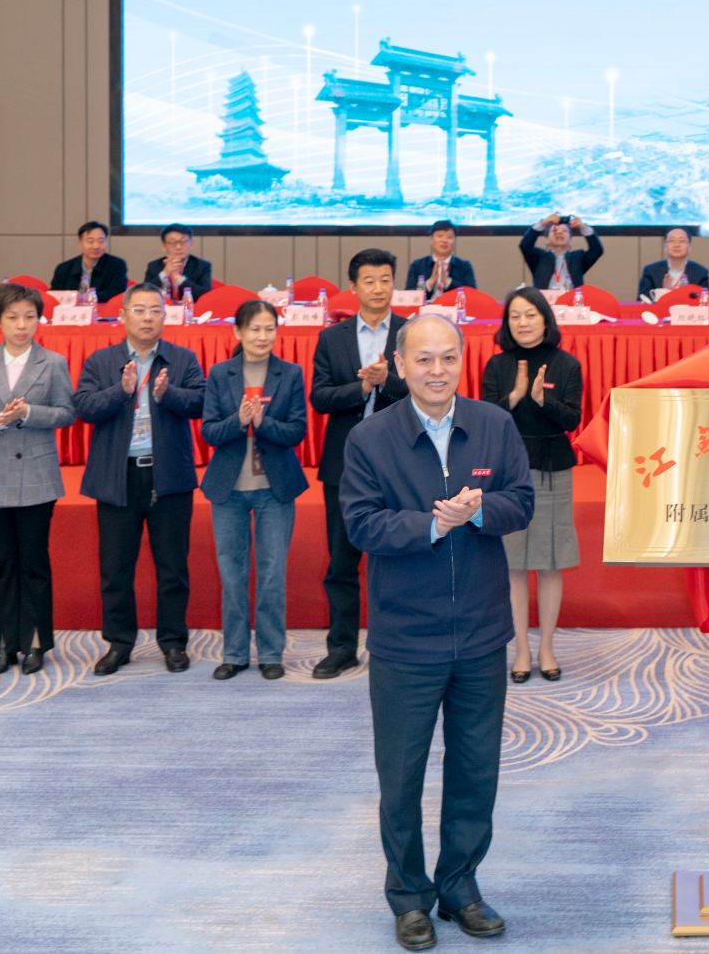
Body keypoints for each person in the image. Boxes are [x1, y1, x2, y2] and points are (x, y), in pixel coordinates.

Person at [341, 315, 535, 951]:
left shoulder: (494, 425)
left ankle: (459, 886)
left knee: (476, 770)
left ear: (462, 361)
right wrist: (431, 524)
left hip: (480, 633)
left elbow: (521, 501)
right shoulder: (370, 438)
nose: (436, 371)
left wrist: (478, 512)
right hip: (406, 638)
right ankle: (408, 896)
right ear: (400, 365)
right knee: (400, 777)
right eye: (423, 359)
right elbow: (361, 524)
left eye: (448, 358)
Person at [73, 282, 207, 675]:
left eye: (155, 311)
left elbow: (201, 402)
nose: (148, 318)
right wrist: (121, 391)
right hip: (118, 477)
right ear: (123, 316)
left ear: (165, 316)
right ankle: (119, 643)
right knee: (116, 568)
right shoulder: (101, 361)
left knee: (172, 567)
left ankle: (173, 642)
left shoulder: (182, 359)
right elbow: (84, 407)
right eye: (140, 310)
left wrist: (168, 395)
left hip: (168, 476)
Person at [0, 282, 75, 674]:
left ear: (39, 320)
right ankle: (5, 644)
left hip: (36, 473)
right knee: (3, 563)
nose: (21, 325)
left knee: (34, 562)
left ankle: (36, 642)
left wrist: (29, 413)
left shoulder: (52, 362)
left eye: (29, 317)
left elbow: (66, 412)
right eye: (12, 317)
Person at [309, 247, 407, 678]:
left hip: (400, 461)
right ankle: (342, 647)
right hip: (345, 462)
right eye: (369, 280)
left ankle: (397, 644)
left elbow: (428, 390)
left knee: (399, 558)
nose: (379, 288)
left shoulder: (409, 333)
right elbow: (319, 397)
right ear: (353, 287)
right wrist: (362, 388)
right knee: (342, 560)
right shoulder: (332, 338)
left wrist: (390, 382)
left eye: (386, 279)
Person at [199, 298, 309, 681]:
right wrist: (238, 420)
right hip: (228, 488)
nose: (262, 336)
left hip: (274, 488)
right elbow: (209, 431)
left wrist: (262, 423)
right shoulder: (220, 374)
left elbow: (297, 431)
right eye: (255, 329)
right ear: (238, 332)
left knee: (272, 573)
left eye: (269, 329)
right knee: (231, 574)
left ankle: (271, 652)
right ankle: (234, 653)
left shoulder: (290, 374)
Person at [479, 288, 584, 682]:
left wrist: (542, 400)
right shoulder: (497, 365)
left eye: (530, 315)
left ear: (545, 319)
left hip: (553, 468)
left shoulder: (567, 364)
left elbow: (572, 419)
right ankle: (522, 649)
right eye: (515, 316)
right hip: (508, 472)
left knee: (550, 562)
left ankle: (547, 647)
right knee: (514, 564)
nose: (522, 323)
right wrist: (516, 397)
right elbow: (487, 420)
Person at [519, 212, 603, 291]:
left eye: (564, 231)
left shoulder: (577, 257)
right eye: (554, 230)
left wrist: (583, 227)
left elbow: (596, 250)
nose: (559, 232)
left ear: (570, 239)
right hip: (543, 300)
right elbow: (525, 245)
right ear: (547, 239)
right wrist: (543, 223)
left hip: (572, 299)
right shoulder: (539, 257)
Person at [50, 220, 130, 299]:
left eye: (101, 241)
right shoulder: (63, 269)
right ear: (80, 243)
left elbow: (117, 294)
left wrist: (84, 297)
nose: (96, 246)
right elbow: (54, 296)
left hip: (105, 307)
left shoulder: (117, 265)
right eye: (90, 241)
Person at [143, 223, 214, 303]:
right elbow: (144, 292)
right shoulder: (154, 266)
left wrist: (178, 278)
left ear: (191, 244)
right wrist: (165, 273)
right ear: (164, 246)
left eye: (183, 241)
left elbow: (206, 295)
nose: (178, 247)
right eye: (172, 242)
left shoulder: (202, 266)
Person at [406, 220, 476, 299]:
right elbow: (409, 296)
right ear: (431, 239)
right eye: (440, 236)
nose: (444, 240)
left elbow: (472, 295)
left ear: (454, 241)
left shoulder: (464, 266)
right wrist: (430, 282)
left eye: (449, 237)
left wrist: (447, 281)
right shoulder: (417, 265)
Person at [636, 226, 709, 298]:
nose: (676, 245)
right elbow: (642, 301)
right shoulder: (651, 271)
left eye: (682, 241)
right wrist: (664, 292)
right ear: (665, 247)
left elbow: (706, 301)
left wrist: (686, 293)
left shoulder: (701, 273)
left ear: (689, 247)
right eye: (671, 241)